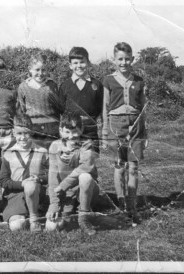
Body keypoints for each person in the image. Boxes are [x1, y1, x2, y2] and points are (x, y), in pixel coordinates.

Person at [102, 42, 148, 224]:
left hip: (136, 125)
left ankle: (132, 205)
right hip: (115, 124)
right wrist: (105, 131)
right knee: (119, 166)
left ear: (132, 59)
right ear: (114, 60)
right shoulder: (108, 80)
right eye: (120, 59)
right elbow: (105, 108)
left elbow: (144, 109)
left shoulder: (138, 80)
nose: (124, 62)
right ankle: (120, 204)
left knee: (134, 167)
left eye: (127, 59)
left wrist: (146, 133)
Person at [45, 112, 100, 235]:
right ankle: (70, 212)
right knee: (52, 227)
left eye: (74, 132)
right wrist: (54, 204)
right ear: (60, 130)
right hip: (65, 194)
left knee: (85, 177)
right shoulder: (55, 146)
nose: (71, 136)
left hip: (84, 190)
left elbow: (84, 169)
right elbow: (53, 176)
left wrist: (63, 185)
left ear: (81, 129)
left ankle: (84, 216)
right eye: (67, 132)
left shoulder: (87, 146)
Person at [0, 114, 49, 232]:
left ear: (31, 132)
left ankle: (34, 218)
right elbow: (2, 181)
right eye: (19, 133)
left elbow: (51, 175)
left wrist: (39, 179)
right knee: (17, 227)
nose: (23, 137)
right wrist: (22, 184)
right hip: (15, 196)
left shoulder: (42, 151)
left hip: (36, 193)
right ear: (13, 133)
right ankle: (21, 215)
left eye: (26, 133)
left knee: (31, 186)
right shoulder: (8, 153)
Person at [58, 47, 103, 152]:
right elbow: (61, 109)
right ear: (70, 65)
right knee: (71, 162)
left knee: (89, 163)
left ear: (88, 63)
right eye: (75, 63)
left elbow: (99, 107)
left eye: (82, 62)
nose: (79, 66)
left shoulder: (96, 84)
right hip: (71, 132)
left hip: (90, 132)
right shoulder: (65, 86)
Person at [17, 53, 61, 149]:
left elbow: (58, 108)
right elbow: (22, 110)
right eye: (37, 70)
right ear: (30, 69)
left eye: (43, 70)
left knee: (52, 157)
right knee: (37, 158)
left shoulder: (52, 85)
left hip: (52, 129)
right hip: (33, 130)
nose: (41, 73)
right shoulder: (23, 87)